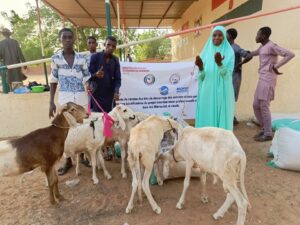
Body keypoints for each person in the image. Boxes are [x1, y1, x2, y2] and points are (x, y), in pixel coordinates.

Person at [49, 28, 90, 175]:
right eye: (64, 37)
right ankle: (67, 160)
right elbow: (53, 81)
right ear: (60, 40)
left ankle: (83, 156)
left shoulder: (81, 59)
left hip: (80, 98)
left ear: (74, 40)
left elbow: (86, 78)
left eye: (69, 37)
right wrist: (51, 102)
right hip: (65, 98)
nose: (67, 40)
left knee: (81, 126)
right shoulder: (55, 59)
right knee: (64, 129)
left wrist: (90, 85)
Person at [249, 26, 294, 142]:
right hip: (262, 78)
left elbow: (290, 54)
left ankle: (268, 133)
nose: (256, 36)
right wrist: (244, 53)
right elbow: (254, 53)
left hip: (268, 79)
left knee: (264, 105)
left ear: (263, 36)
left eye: (258, 34)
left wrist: (276, 66)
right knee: (255, 105)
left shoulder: (272, 46)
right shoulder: (263, 46)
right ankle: (264, 129)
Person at [194, 26, 235, 131]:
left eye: (220, 35)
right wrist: (201, 67)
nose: (217, 37)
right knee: (206, 117)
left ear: (224, 37)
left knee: (220, 122)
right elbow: (201, 77)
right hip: (207, 92)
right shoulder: (205, 52)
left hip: (222, 92)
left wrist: (220, 64)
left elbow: (227, 76)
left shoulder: (229, 53)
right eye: (214, 35)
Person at [88, 36, 121, 113]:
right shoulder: (95, 57)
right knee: (97, 120)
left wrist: (116, 91)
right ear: (104, 44)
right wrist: (95, 75)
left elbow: (118, 79)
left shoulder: (115, 60)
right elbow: (88, 76)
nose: (110, 48)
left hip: (110, 97)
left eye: (113, 46)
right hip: (96, 95)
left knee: (110, 119)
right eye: (108, 45)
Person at [226, 28, 252, 125]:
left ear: (230, 36)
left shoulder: (235, 47)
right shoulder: (227, 47)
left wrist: (239, 64)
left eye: (226, 34)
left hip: (234, 77)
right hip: (228, 76)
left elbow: (249, 56)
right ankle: (232, 118)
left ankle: (231, 119)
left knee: (230, 97)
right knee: (227, 97)